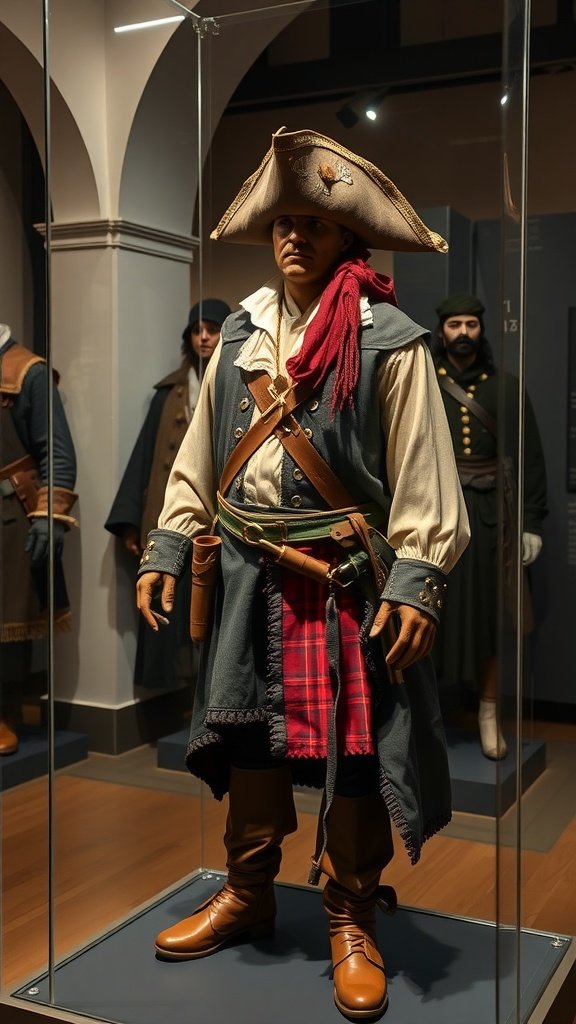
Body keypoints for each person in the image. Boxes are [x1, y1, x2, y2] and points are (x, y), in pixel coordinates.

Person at [136, 127, 469, 1022]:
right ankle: (248, 892)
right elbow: (200, 454)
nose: (293, 237)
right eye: (283, 222)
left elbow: (426, 474)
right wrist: (171, 543)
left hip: (346, 577)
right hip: (248, 568)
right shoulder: (240, 334)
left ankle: (350, 913)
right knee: (248, 735)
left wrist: (416, 580)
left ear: (346, 238)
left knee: (355, 751)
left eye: (312, 223)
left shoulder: (391, 339)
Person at [430, 294, 547, 758]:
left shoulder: (507, 387)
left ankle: (487, 710)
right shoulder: (426, 384)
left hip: (490, 518)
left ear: (481, 331)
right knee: (431, 611)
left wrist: (531, 523)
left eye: (471, 325)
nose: (463, 332)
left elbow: (530, 458)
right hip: (438, 516)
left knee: (493, 615)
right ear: (442, 332)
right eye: (454, 324)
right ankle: (429, 715)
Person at [105, 299, 230, 690]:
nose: (204, 337)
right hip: (170, 517)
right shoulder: (168, 392)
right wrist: (131, 521)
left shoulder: (239, 381)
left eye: (211, 328)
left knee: (218, 607)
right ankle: (175, 694)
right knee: (168, 601)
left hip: (221, 518)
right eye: (197, 330)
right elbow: (144, 457)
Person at [0, 322, 78, 755]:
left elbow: (57, 450)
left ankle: (5, 711)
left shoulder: (27, 371)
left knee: (7, 622)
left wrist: (51, 516)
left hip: (11, 512)